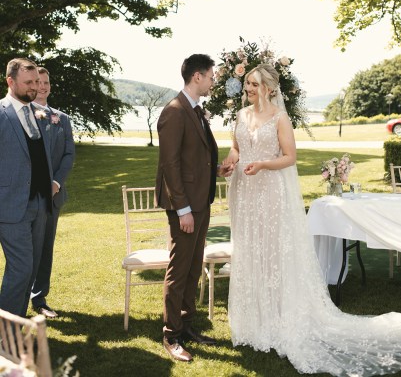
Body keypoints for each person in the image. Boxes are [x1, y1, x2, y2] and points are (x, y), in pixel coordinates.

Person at [223, 63, 401, 376]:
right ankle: (255, 320)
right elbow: (237, 148)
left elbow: (289, 156)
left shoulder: (280, 117)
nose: (248, 89)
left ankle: (279, 317)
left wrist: (263, 164)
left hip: (270, 191)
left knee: (273, 251)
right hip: (246, 193)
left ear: (269, 88)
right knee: (252, 251)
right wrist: (229, 162)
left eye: (253, 84)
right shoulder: (241, 116)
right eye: (247, 84)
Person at [155, 53, 232, 363]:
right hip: (185, 206)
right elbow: (170, 165)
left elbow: (194, 156)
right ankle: (171, 334)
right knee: (178, 269)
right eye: (211, 76)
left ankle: (187, 326)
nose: (213, 81)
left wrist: (216, 170)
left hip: (201, 201)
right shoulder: (174, 111)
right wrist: (183, 208)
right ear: (197, 77)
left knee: (192, 267)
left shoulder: (196, 110)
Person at [0, 58, 53, 317]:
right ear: (10, 82)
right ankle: (3, 335)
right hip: (10, 207)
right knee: (20, 269)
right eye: (28, 82)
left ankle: (16, 326)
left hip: (38, 205)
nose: (35, 87)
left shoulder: (33, 112)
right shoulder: (1, 113)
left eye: (37, 82)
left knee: (29, 270)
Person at [31, 67, 75, 319]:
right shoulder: (21, 116)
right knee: (26, 249)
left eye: (47, 82)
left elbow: (69, 154)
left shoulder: (62, 118)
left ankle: (39, 299)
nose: (44, 86)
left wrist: (57, 182)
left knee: (46, 247)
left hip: (54, 196)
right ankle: (15, 300)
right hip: (26, 196)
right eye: (38, 82)